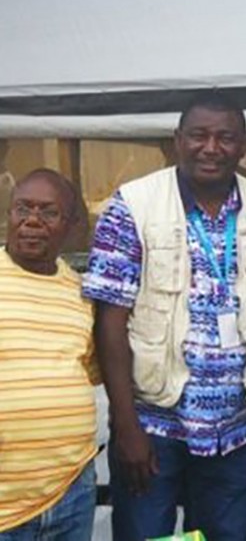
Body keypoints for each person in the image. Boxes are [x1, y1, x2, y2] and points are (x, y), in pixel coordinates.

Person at [82, 91, 246, 541]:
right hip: (153, 425)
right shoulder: (132, 205)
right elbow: (110, 321)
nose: (211, 147)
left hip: (233, 431)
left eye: (226, 137)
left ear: (244, 145)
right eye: (199, 136)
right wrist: (125, 426)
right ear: (177, 140)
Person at [0, 170, 97, 541]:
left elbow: (84, 374)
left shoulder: (81, 292)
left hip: (70, 486)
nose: (32, 221)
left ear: (71, 227)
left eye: (48, 212)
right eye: (22, 208)